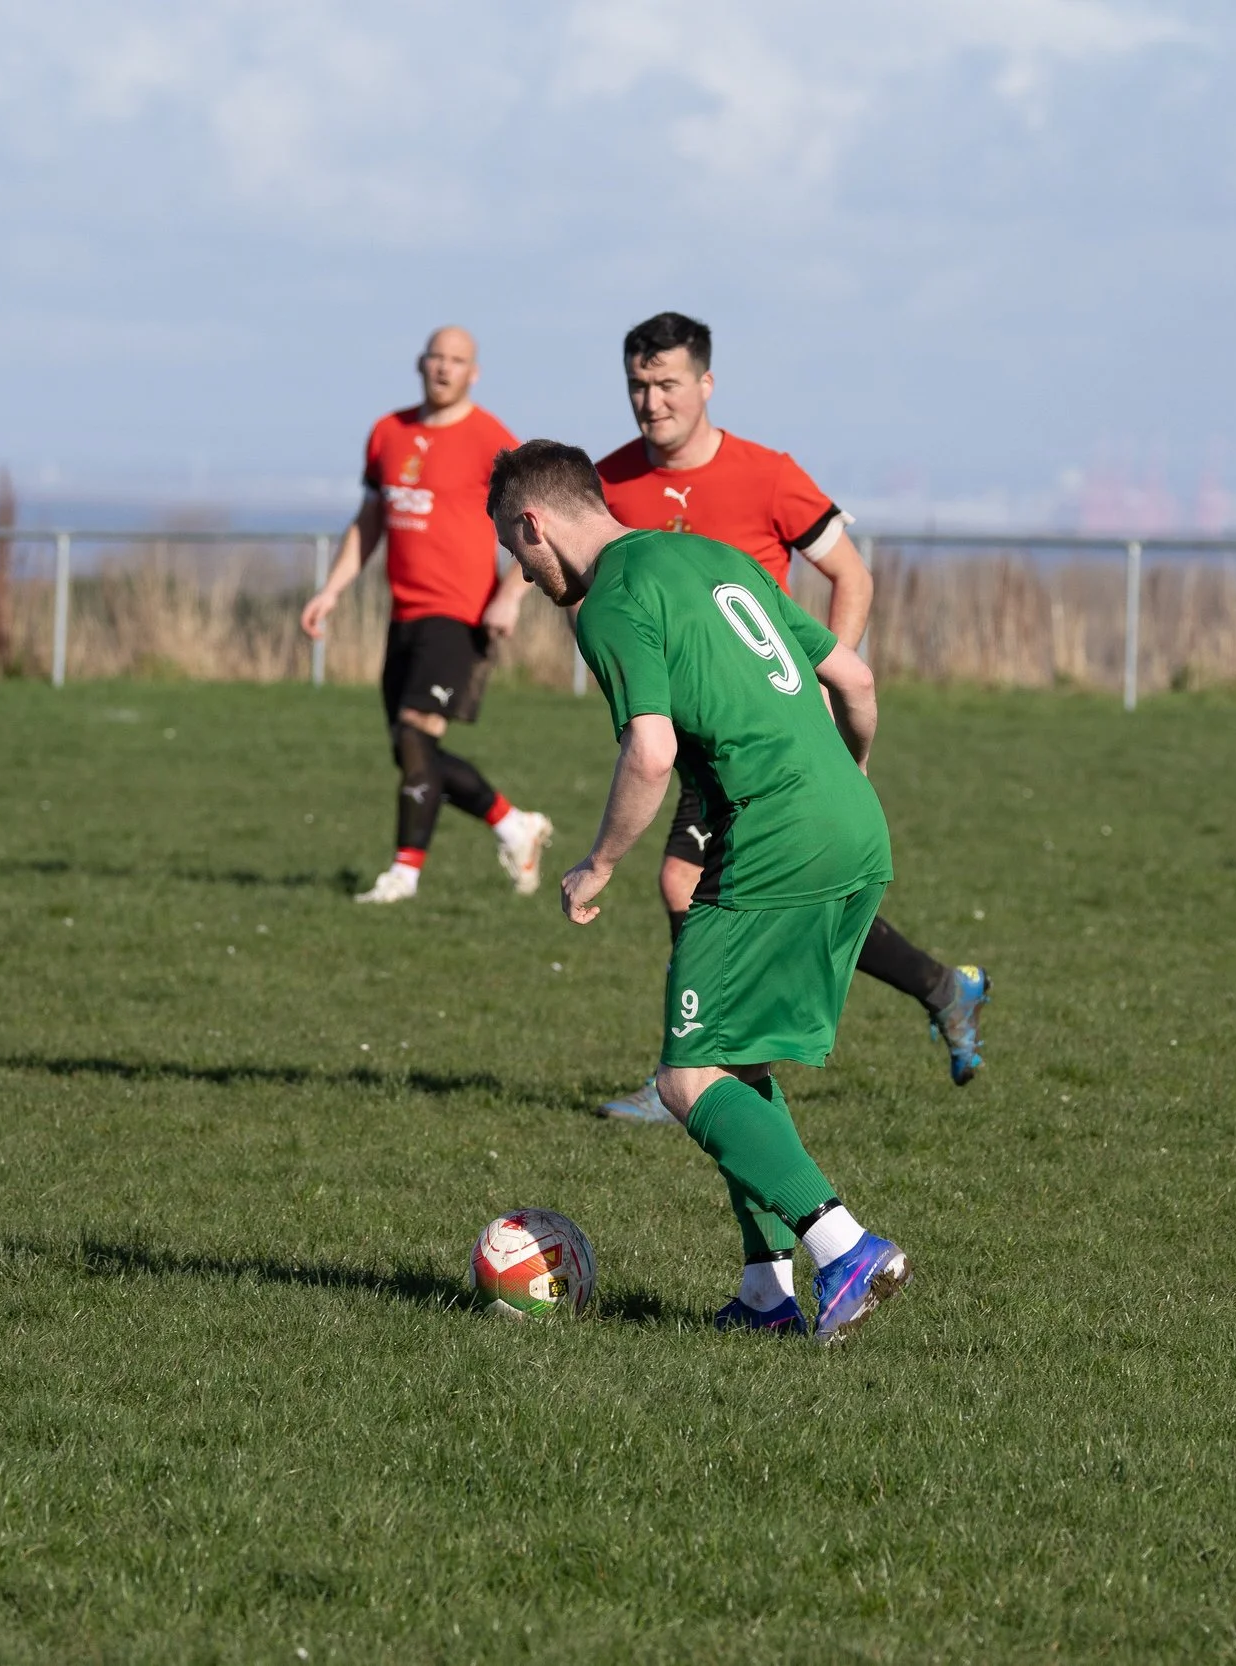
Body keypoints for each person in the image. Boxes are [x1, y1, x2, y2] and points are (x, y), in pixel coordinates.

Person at [491, 438, 913, 1343]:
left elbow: (650, 750)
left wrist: (596, 863)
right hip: (851, 821)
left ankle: (844, 1248)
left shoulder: (607, 600)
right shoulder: (716, 557)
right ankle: (766, 1293)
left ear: (535, 523)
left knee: (686, 1076)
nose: (522, 577)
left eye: (513, 551)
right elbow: (857, 679)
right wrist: (844, 789)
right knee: (737, 1057)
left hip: (771, 837)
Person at [589, 312, 988, 1121]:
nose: (651, 401)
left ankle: (702, 1071)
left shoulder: (766, 475)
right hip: (697, 733)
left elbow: (852, 576)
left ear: (705, 383)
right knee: (746, 886)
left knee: (683, 878)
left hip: (756, 734)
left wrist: (813, 685)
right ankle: (942, 986)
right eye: (638, 385)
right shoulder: (609, 483)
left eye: (667, 384)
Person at [301, 326, 551, 903]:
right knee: (411, 751)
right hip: (404, 615)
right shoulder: (388, 432)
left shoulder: (491, 439)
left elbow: (541, 522)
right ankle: (515, 824)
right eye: (436, 357)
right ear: (420, 362)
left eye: (457, 360)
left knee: (415, 739)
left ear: (474, 371)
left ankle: (403, 875)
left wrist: (512, 593)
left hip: (460, 616)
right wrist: (332, 589)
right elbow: (370, 522)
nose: (443, 368)